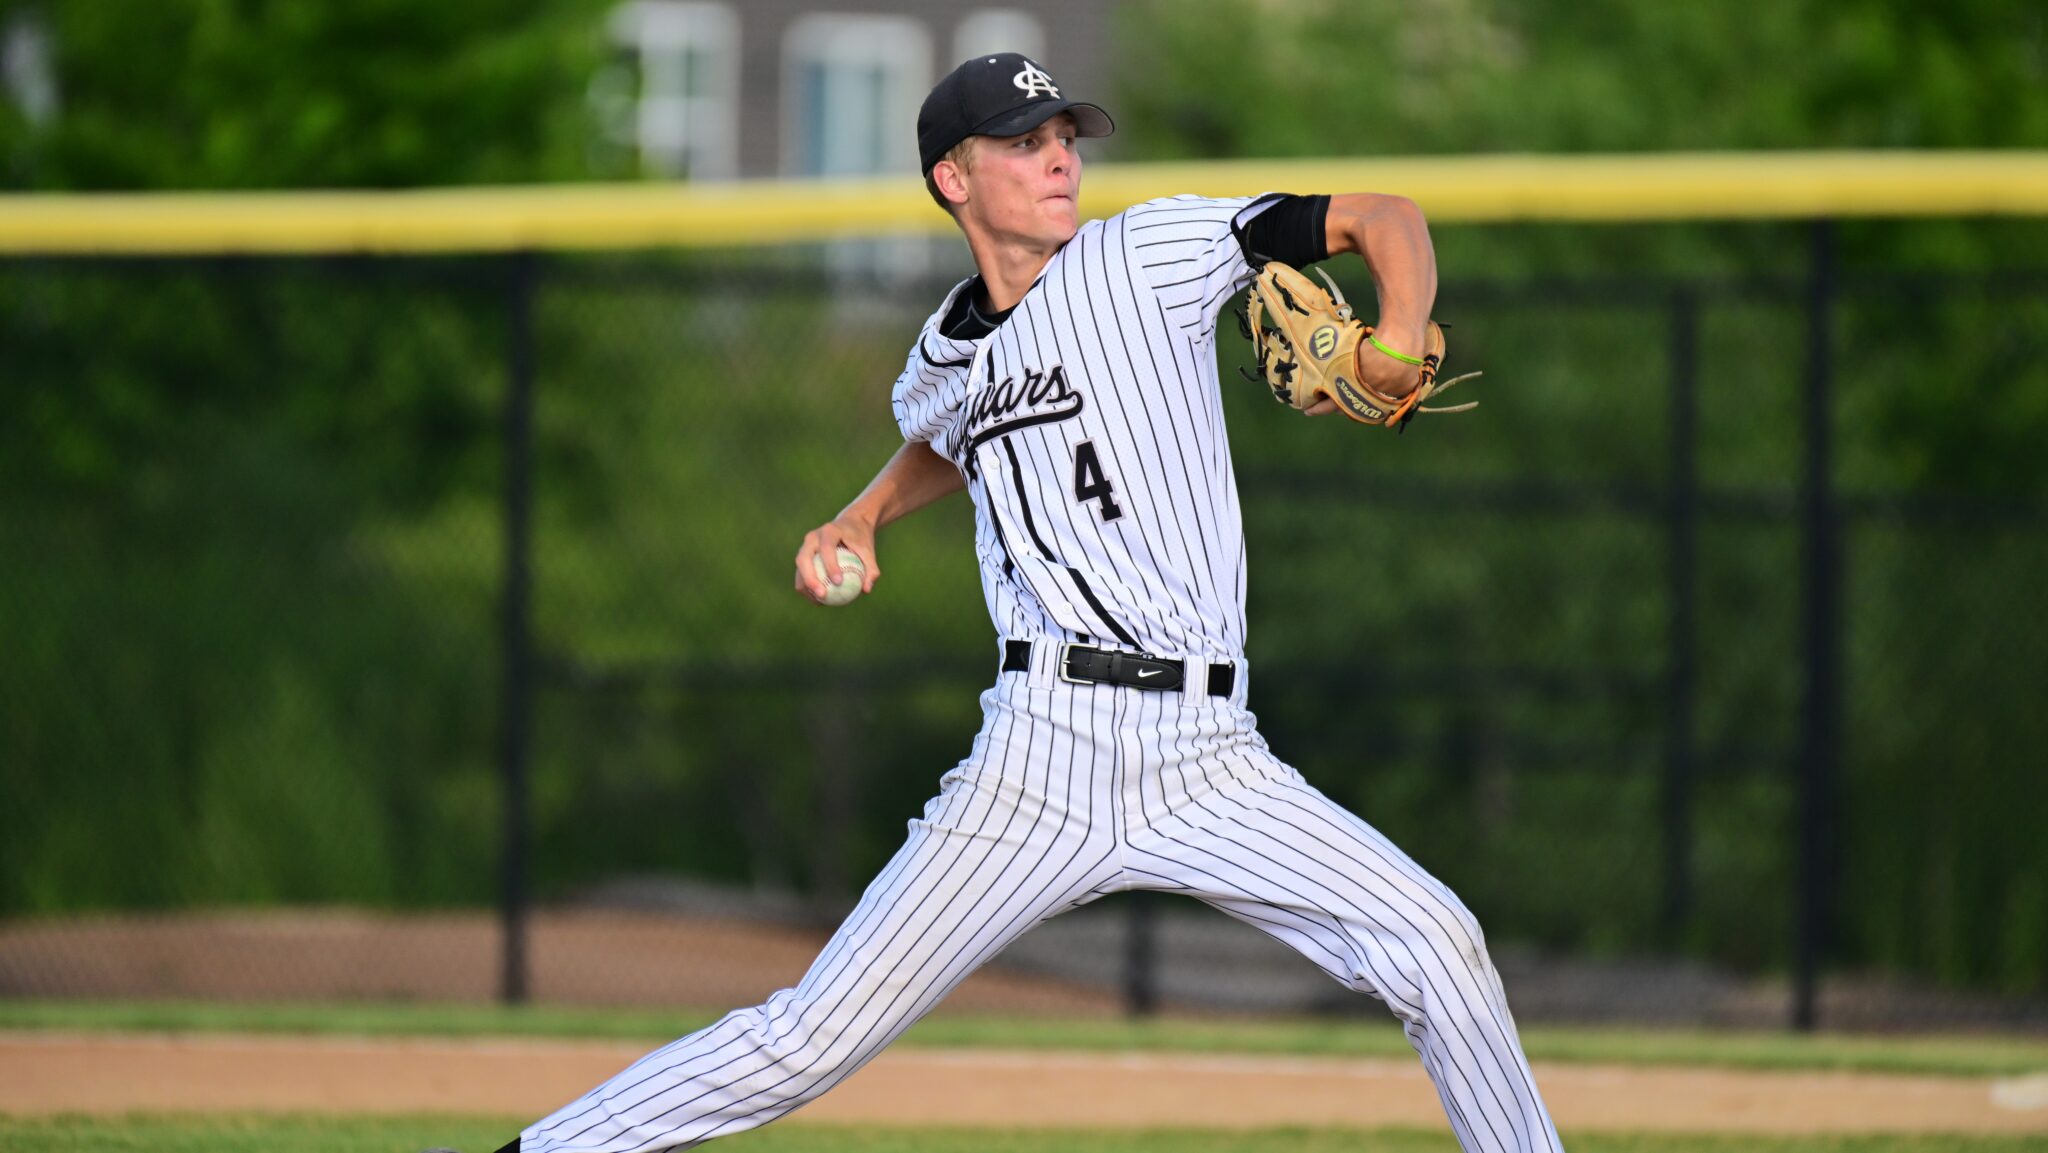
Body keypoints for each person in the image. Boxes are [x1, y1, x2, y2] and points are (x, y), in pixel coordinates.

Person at [500, 53, 1564, 1153]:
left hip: (1207, 755)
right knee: (806, 1038)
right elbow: (944, 434)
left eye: (1063, 134)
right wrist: (860, 516)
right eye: (1023, 140)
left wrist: (1395, 330)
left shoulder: (1144, 253)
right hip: (1037, 758)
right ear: (951, 179)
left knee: (1437, 942)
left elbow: (1380, 215)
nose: (1058, 154)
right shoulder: (939, 356)